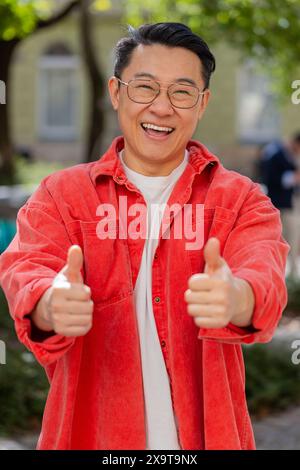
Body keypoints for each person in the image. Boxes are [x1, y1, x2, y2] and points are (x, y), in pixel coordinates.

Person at [0, 23, 289, 450]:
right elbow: (27, 270)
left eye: (181, 92)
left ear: (202, 103)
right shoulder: (61, 196)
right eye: (145, 88)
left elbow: (264, 276)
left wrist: (236, 296)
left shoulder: (242, 200)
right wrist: (49, 302)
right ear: (116, 93)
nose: (161, 107)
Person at [260, 134, 300, 277]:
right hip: (279, 205)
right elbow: (271, 179)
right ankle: (278, 273)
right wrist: (293, 177)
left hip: (292, 204)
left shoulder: (292, 156)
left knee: (293, 239)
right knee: (279, 240)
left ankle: (293, 273)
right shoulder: (276, 155)